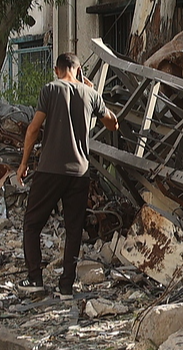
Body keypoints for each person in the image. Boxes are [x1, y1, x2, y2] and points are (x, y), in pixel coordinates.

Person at [15, 52, 118, 294]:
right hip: (79, 173)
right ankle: (66, 287)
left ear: (56, 70)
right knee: (73, 230)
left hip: (50, 169)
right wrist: (95, 95)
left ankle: (35, 280)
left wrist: (23, 163)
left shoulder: (50, 90)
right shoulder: (90, 94)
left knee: (31, 224)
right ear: (80, 69)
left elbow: (33, 129)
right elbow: (113, 123)